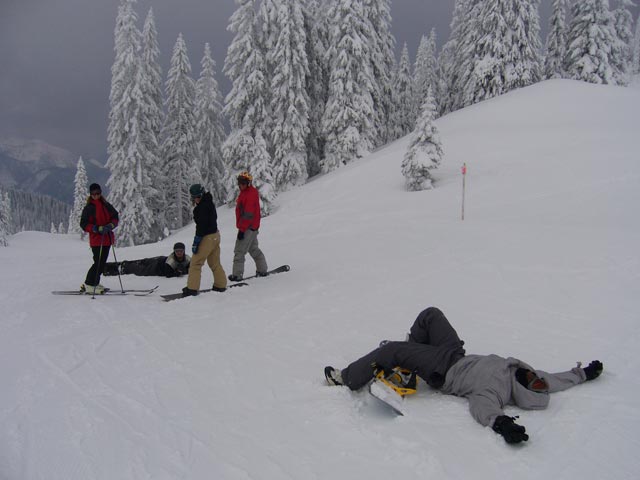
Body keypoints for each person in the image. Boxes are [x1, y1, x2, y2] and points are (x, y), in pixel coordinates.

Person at [324, 307, 604, 444]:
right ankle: (410, 364)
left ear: (527, 393)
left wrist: (502, 424)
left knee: (393, 350)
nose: (536, 377)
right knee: (431, 315)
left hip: (444, 370)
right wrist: (585, 373)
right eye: (538, 379)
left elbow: (484, 409)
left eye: (535, 383)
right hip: (455, 353)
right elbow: (561, 379)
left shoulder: (495, 391)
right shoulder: (529, 375)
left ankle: (347, 377)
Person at [182, 184, 227, 297]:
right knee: (214, 263)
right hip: (215, 236)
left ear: (201, 195)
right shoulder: (209, 202)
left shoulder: (200, 208)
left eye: (197, 197)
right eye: (194, 197)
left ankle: (192, 289)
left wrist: (196, 241)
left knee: (196, 263)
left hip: (207, 238)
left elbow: (201, 227)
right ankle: (220, 285)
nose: (196, 199)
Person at [228, 171, 268, 281]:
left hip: (247, 228)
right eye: (239, 183)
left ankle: (237, 275)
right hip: (252, 227)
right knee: (254, 249)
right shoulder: (247, 192)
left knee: (239, 251)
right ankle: (262, 269)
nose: (241, 185)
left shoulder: (249, 194)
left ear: (248, 183)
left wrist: (242, 230)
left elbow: (248, 215)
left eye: (243, 183)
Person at [79, 183, 119, 294]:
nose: (96, 195)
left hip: (107, 239)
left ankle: (94, 282)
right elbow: (83, 224)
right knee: (98, 263)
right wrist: (96, 228)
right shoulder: (89, 208)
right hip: (97, 240)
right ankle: (89, 283)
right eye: (93, 194)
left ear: (100, 193)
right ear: (90, 194)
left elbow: (115, 217)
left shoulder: (106, 205)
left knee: (101, 263)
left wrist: (110, 225)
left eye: (97, 193)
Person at [103, 242, 190, 278]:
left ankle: (108, 267)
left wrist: (184, 270)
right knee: (133, 267)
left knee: (135, 265)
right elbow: (168, 274)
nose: (179, 253)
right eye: (177, 251)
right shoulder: (171, 261)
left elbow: (192, 267)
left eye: (181, 251)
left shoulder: (187, 259)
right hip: (155, 267)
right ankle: (110, 268)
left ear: (184, 251)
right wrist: (178, 273)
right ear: (174, 251)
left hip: (158, 260)